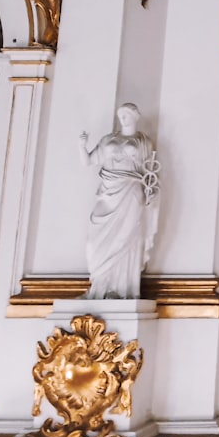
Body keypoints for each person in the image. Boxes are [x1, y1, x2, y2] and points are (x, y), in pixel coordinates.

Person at [79, 103, 160, 300]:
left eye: (126, 114)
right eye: (120, 114)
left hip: (131, 190)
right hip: (108, 190)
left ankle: (123, 289)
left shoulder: (144, 142)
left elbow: (150, 171)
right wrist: (81, 146)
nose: (123, 118)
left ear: (135, 116)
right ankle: (99, 285)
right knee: (93, 241)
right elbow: (88, 161)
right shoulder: (108, 139)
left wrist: (152, 193)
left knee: (126, 238)